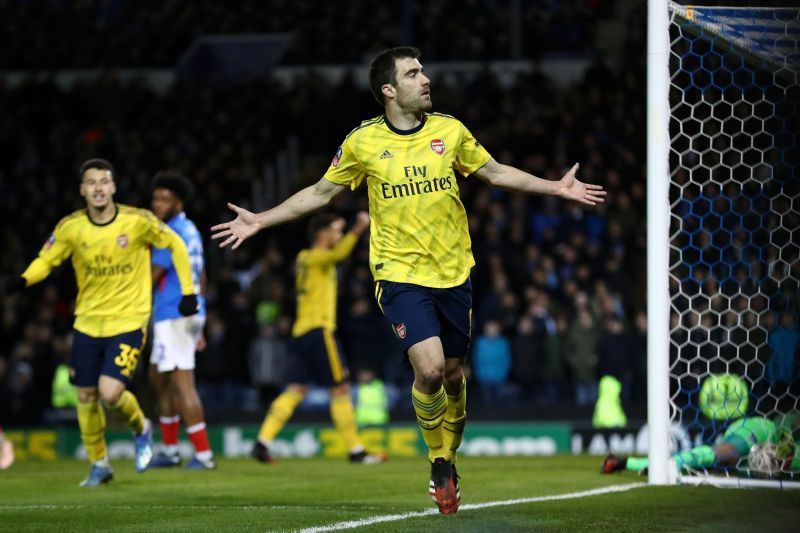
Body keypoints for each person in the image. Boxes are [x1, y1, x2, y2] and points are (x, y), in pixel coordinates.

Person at [211, 47, 605, 514]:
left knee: (456, 376)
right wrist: (261, 219)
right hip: (398, 275)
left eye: (423, 71)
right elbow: (319, 194)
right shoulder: (361, 143)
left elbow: (496, 173)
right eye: (413, 73)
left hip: (454, 272)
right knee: (431, 369)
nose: (425, 79)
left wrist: (555, 187)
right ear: (388, 90)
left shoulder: (450, 130)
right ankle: (439, 462)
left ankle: (448, 455)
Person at [2, 159, 199, 486]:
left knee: (109, 392)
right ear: (82, 190)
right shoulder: (71, 228)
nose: (97, 188)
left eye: (103, 182)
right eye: (91, 183)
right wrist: (23, 280)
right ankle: (100, 464)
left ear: (113, 187)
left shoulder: (137, 221)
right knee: (85, 396)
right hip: (88, 322)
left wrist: (189, 292)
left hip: (129, 319)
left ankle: (142, 427)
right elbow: (46, 259)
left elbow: (175, 245)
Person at [251, 212, 388, 465]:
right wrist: (358, 228)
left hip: (301, 333)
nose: (339, 235)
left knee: (295, 389)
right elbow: (338, 254)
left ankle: (262, 442)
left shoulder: (304, 258)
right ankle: (356, 451)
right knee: (341, 389)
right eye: (336, 229)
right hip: (320, 331)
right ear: (321, 233)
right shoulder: (316, 257)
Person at [147, 172, 215, 470]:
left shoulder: (170, 232)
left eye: (165, 199)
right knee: (159, 378)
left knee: (181, 384)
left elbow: (152, 276)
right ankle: (171, 450)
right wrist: (200, 317)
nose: (157, 204)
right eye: (155, 198)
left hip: (174, 314)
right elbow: (200, 276)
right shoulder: (190, 230)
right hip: (183, 313)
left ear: (179, 201)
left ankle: (203, 455)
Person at [602, 416, 800, 475]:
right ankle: (668, 466)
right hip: (758, 430)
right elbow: (788, 418)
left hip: (757, 450)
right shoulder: (782, 428)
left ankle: (625, 463)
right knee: (726, 454)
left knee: (708, 471)